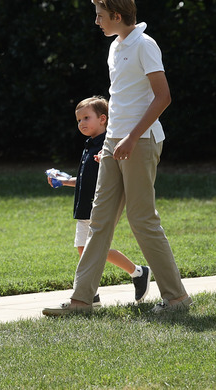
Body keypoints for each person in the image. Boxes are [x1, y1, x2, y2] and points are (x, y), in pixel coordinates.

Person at [43, 0, 191, 316]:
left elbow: (163, 97)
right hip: (114, 142)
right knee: (99, 220)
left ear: (116, 15)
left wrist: (130, 138)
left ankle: (177, 298)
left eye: (99, 15)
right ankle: (81, 301)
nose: (96, 21)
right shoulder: (115, 46)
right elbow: (123, 98)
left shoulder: (144, 45)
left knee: (142, 220)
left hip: (140, 141)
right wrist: (111, 141)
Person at [47, 96, 151, 307]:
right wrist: (64, 181)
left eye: (87, 117)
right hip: (84, 207)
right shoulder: (89, 145)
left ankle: (100, 289)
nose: (81, 123)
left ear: (103, 119)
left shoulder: (107, 145)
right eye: (78, 120)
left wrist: (109, 157)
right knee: (84, 249)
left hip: (98, 206)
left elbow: (116, 174)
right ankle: (132, 275)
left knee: (91, 249)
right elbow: (86, 180)